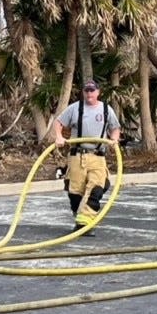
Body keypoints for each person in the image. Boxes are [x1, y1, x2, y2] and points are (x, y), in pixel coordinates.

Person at [54, 80, 120, 235]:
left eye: (92, 91)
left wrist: (114, 140)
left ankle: (84, 225)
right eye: (87, 91)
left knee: (96, 190)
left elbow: (115, 128)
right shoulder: (75, 108)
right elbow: (58, 123)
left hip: (97, 157)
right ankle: (80, 218)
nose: (89, 93)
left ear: (98, 92)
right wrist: (59, 137)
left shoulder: (106, 109)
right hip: (77, 156)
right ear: (83, 92)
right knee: (75, 192)